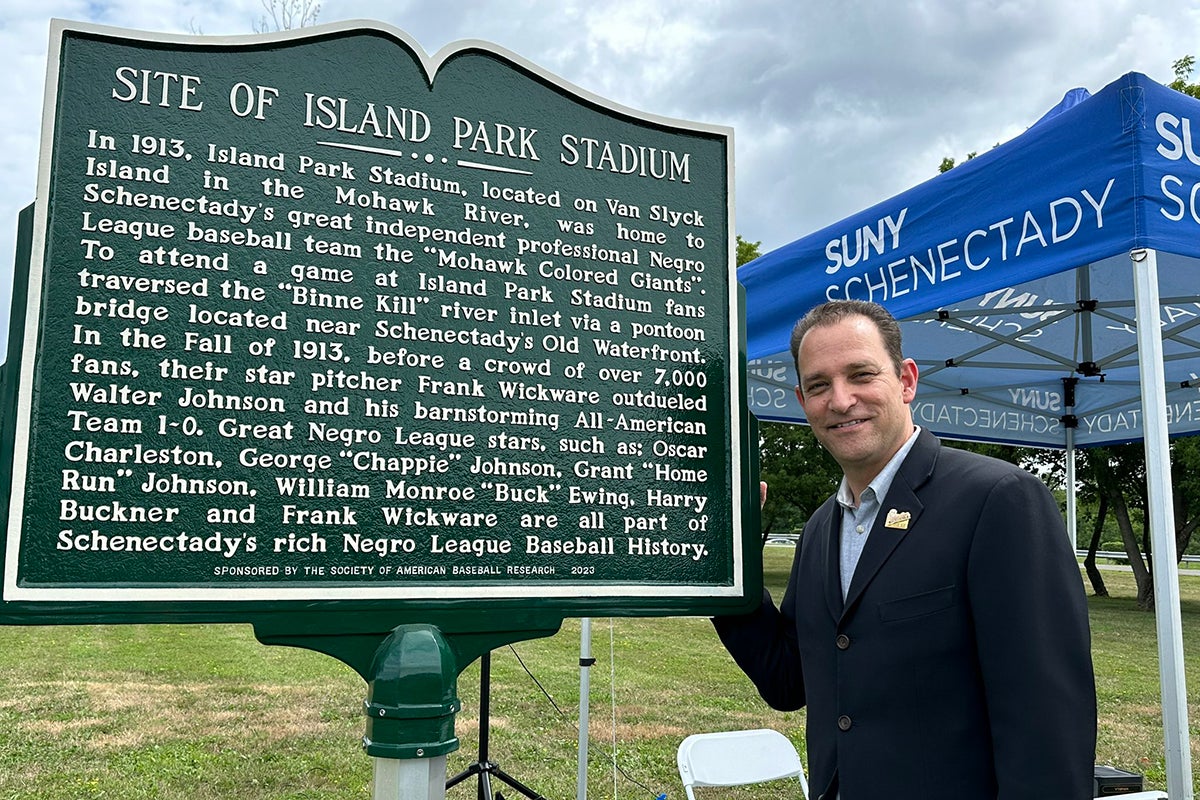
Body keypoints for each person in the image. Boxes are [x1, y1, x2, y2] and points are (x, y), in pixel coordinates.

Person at [714, 299, 1096, 800]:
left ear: (906, 380)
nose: (841, 399)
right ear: (802, 400)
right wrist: (724, 557)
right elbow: (790, 681)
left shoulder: (997, 500)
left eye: (861, 374)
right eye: (818, 385)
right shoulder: (820, 528)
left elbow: (1048, 722)